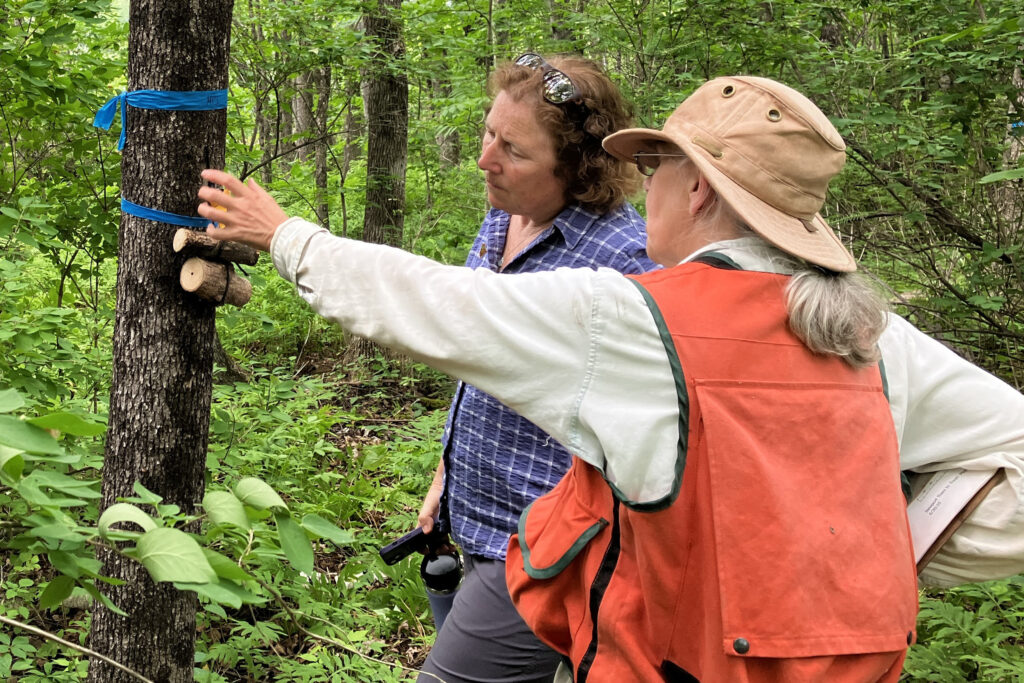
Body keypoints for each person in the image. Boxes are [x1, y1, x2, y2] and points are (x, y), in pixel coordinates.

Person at [197, 75, 1024, 682]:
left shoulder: (633, 318)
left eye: (658, 165)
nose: (645, 184)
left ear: (698, 186)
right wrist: (862, 555)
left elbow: (440, 308)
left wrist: (286, 237)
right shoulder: (867, 329)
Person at [415, 53, 656, 681]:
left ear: (577, 168)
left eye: (513, 149)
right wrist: (447, 474)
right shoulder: (506, 214)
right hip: (478, 517)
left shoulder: (625, 264)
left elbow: (651, 431)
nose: (485, 159)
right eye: (489, 132)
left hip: (551, 548)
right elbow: (484, 357)